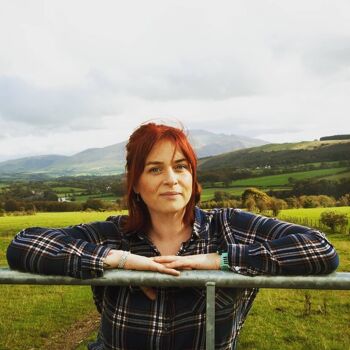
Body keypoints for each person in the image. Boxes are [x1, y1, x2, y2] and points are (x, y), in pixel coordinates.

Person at [7, 122, 339, 350]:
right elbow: (24, 243)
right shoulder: (114, 234)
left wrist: (218, 261)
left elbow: (320, 249)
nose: (171, 179)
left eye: (181, 167)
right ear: (136, 184)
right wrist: (122, 261)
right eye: (155, 169)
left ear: (193, 178)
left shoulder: (228, 227)